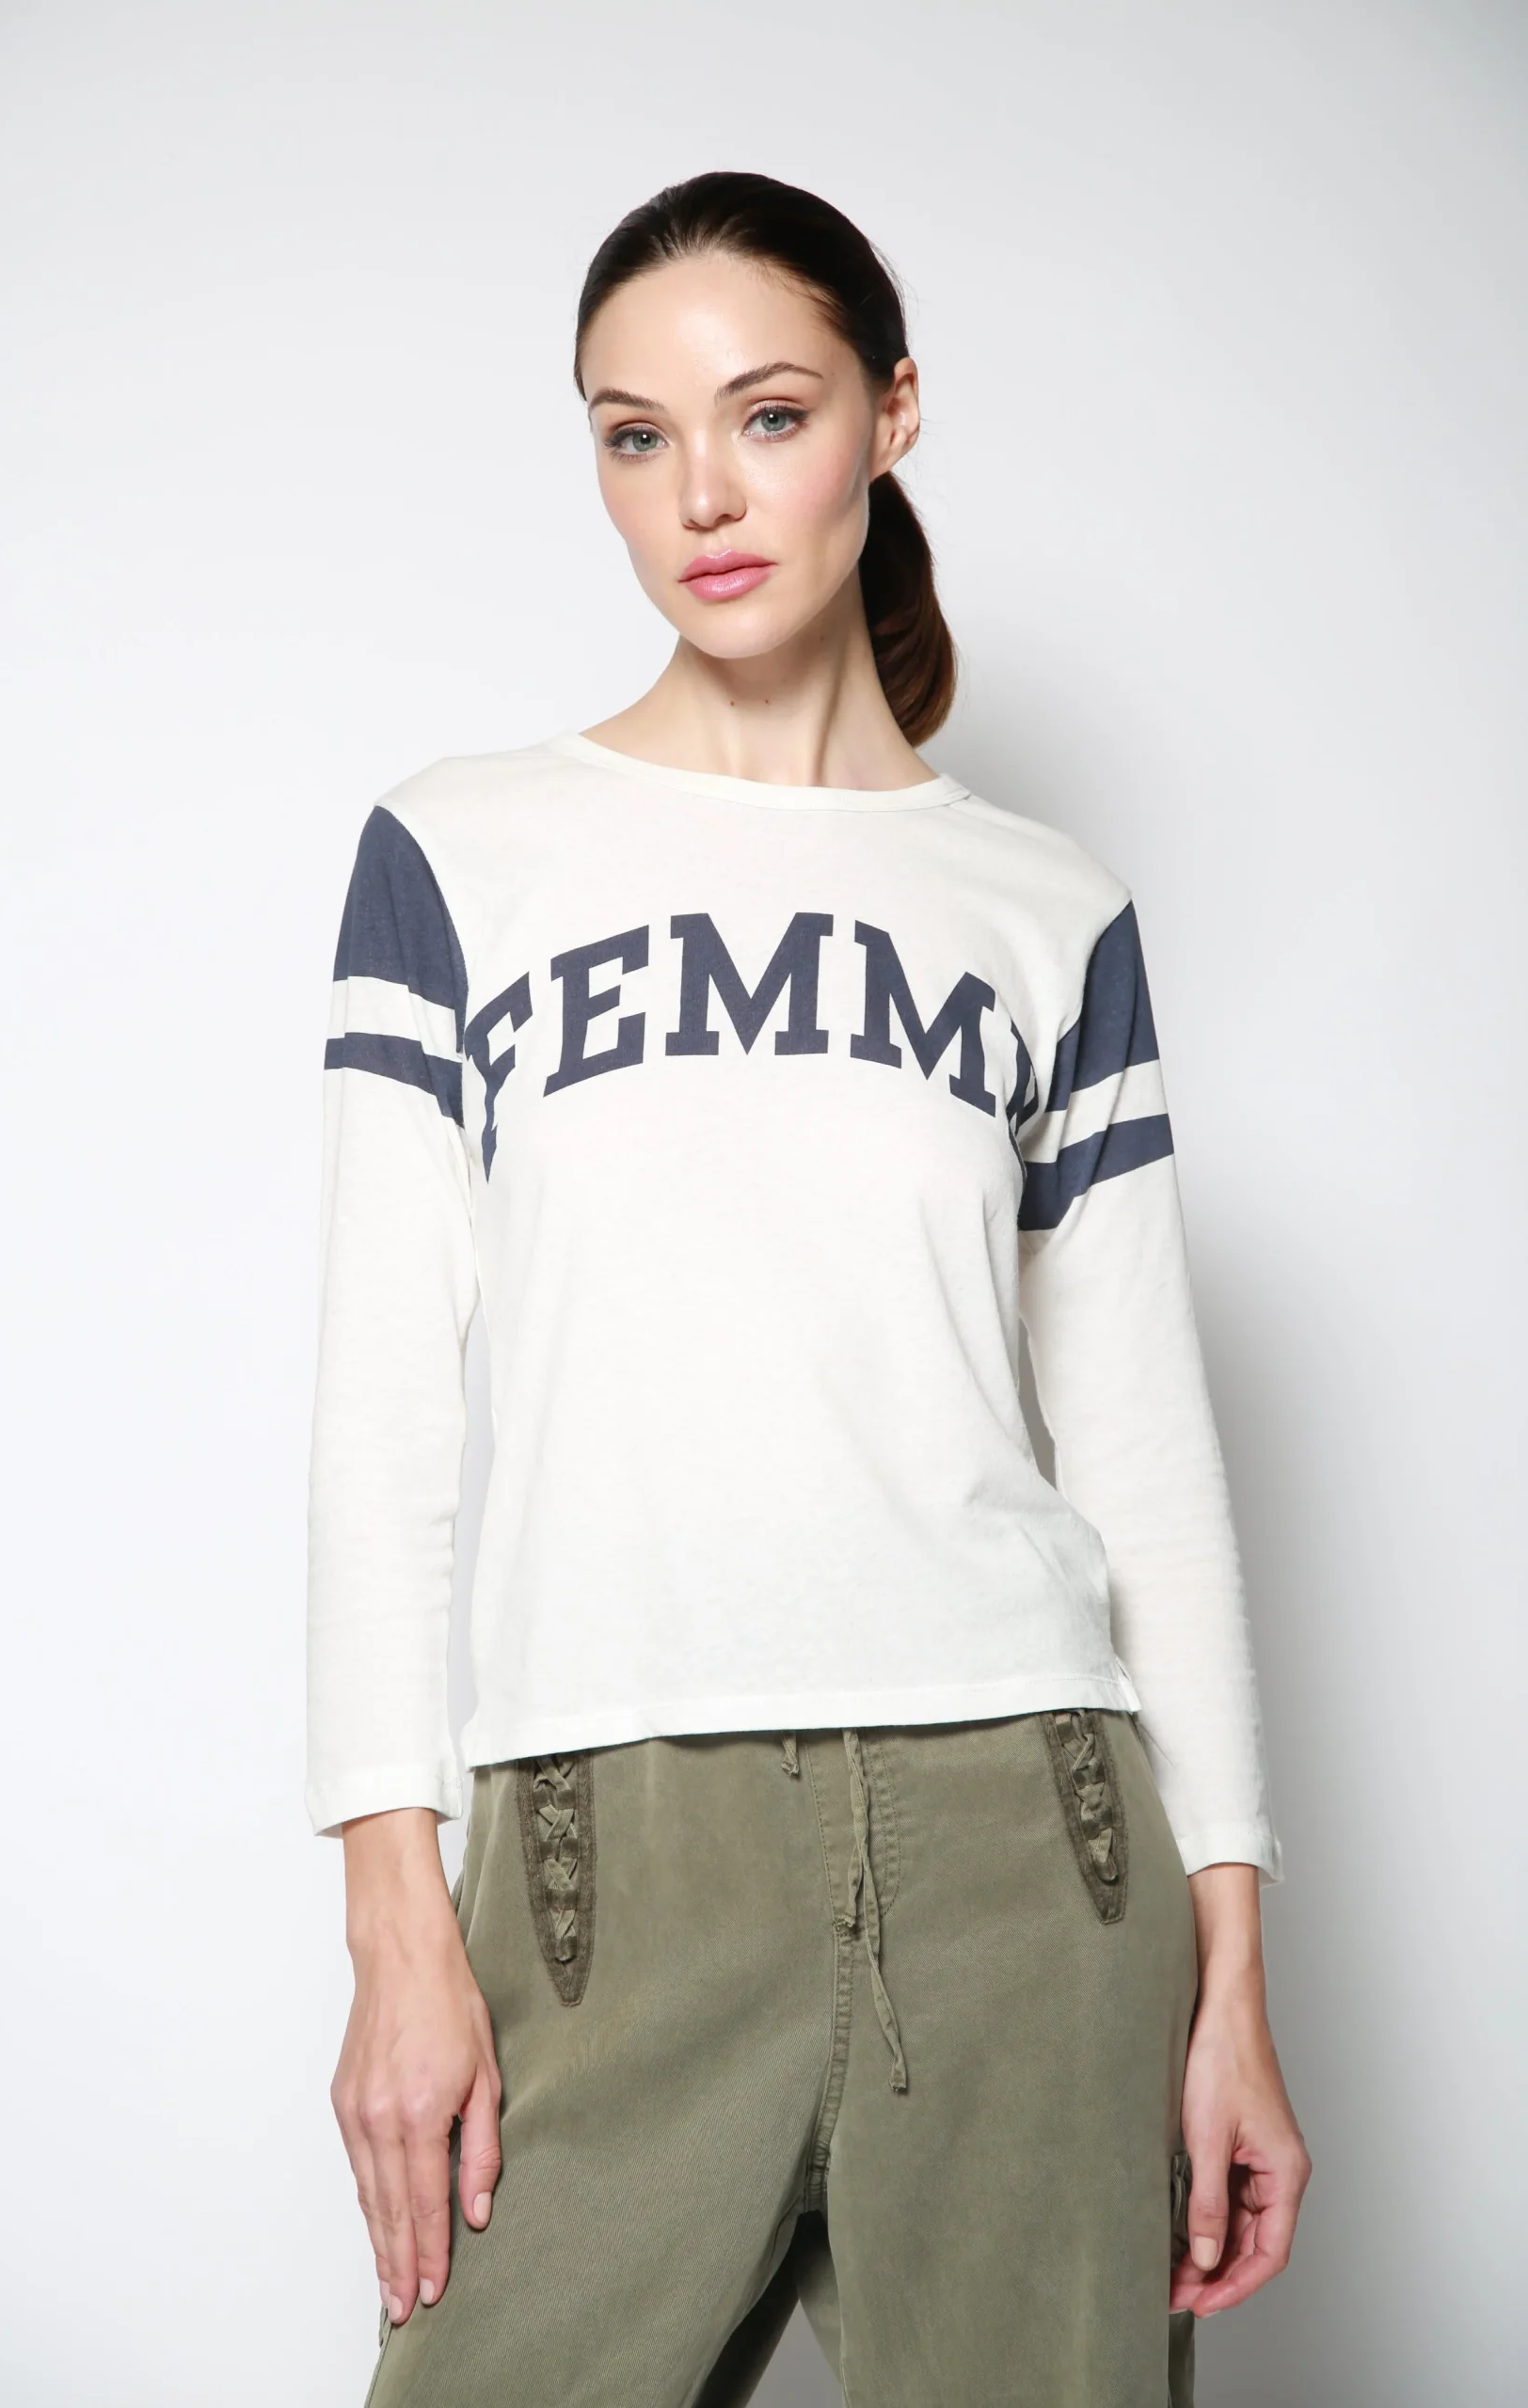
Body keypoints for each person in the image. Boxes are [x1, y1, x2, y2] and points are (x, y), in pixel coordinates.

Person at [306, 169, 1311, 2406]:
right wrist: (393, 1908)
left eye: (766, 414)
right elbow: (382, 1420)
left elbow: (1144, 1460)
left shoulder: (1043, 907)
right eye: (633, 434)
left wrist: (1232, 1965)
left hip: (1031, 1851)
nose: (701, 494)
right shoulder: (461, 854)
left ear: (890, 412)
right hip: (607, 1856)